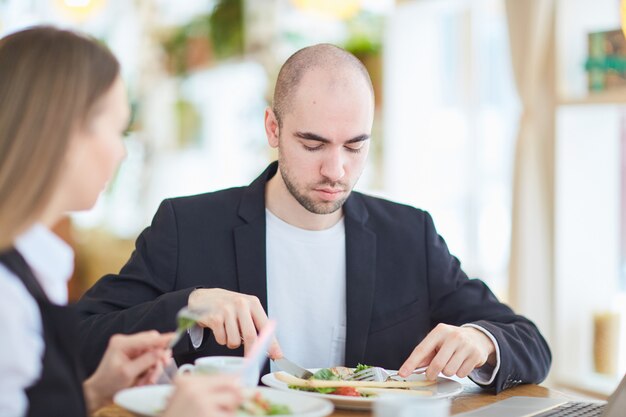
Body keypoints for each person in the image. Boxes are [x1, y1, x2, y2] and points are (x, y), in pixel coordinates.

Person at [76, 43, 551, 393]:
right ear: (273, 129)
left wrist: (481, 340)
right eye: (313, 143)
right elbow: (76, 339)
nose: (336, 169)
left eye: (355, 145)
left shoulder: (410, 234)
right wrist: (189, 305)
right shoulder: (187, 226)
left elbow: (531, 343)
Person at [0, 26, 241, 417]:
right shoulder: (7, 296)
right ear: (64, 132)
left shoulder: (31, 268)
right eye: (117, 130)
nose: (122, 153)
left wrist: (93, 392)